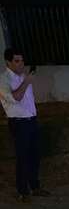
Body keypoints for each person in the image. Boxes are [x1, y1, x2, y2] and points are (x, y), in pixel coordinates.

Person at [0, 47, 49, 201]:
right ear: (8, 62)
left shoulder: (22, 76)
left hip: (31, 120)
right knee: (23, 157)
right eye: (17, 61)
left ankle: (35, 186)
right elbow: (17, 97)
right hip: (19, 122)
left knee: (35, 155)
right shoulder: (4, 80)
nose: (21, 64)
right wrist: (27, 81)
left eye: (22, 61)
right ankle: (23, 191)